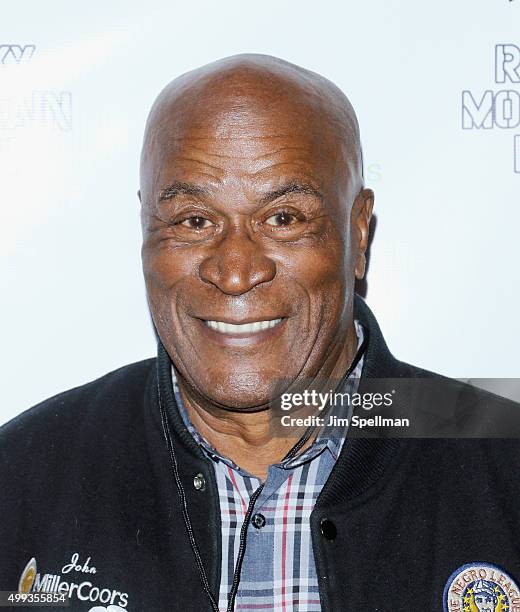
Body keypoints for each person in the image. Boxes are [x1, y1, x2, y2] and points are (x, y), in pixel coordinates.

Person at [1, 54, 519, 612]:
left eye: (283, 219)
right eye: (195, 220)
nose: (236, 271)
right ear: (145, 231)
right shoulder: (22, 478)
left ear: (359, 234)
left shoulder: (502, 461)